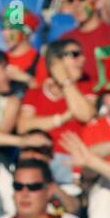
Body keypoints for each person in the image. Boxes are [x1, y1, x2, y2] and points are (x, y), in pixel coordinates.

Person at [18, 39, 98, 187]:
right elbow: (23, 126)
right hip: (41, 161)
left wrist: (65, 81)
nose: (83, 59)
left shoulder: (87, 86)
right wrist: (63, 117)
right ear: (56, 62)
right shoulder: (35, 92)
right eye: (74, 54)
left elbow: (85, 114)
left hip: (72, 164)